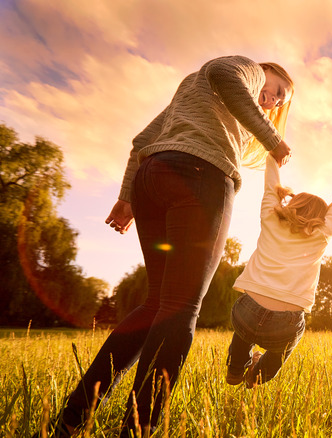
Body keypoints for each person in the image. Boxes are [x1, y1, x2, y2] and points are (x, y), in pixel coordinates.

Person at [40, 56, 295, 438]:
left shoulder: (192, 93)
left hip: (153, 179)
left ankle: (72, 418)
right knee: (181, 309)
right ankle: (137, 429)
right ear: (266, 71)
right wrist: (274, 139)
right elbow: (226, 73)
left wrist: (127, 197)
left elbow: (142, 142)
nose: (273, 101)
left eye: (279, 102)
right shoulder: (246, 68)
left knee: (157, 305)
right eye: (278, 91)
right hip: (201, 178)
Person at [224, 154, 332, 389]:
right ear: (321, 217)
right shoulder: (322, 233)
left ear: (292, 204)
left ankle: (236, 369)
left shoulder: (270, 217)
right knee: (281, 350)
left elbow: (270, 185)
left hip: (247, 310)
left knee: (244, 331)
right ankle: (256, 376)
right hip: (285, 322)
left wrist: (273, 157)